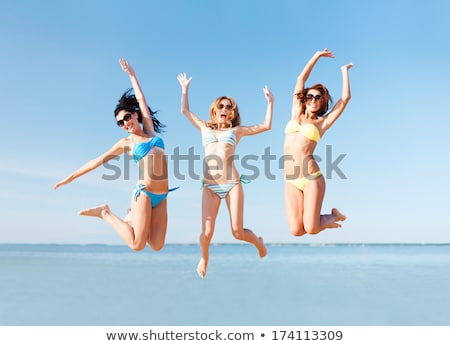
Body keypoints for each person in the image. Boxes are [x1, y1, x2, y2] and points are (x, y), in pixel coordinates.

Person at [54, 58, 173, 252]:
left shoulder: (150, 131)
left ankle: (132, 217)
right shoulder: (126, 144)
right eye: (120, 123)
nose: (125, 123)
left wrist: (132, 75)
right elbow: (97, 161)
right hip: (144, 194)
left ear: (135, 115)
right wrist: (70, 177)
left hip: (162, 195)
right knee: (137, 245)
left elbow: (141, 99)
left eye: (127, 117)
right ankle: (105, 213)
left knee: (157, 245)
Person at [177, 73, 273, 277]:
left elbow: (266, 126)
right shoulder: (204, 127)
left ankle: (258, 242)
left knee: (237, 232)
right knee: (207, 233)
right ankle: (204, 258)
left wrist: (270, 103)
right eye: (221, 106)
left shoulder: (237, 131)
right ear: (215, 110)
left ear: (232, 113)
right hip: (210, 186)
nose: (225, 109)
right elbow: (185, 110)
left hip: (232, 184)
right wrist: (185, 89)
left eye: (229, 107)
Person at [284, 48, 353, 236]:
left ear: (322, 102)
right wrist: (317, 56)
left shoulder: (322, 122)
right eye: (310, 96)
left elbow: (345, 99)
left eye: (318, 97)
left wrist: (344, 71)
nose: (313, 99)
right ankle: (324, 221)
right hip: (290, 179)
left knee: (312, 229)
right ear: (304, 99)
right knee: (296, 230)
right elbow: (300, 79)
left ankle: (333, 217)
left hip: (311, 177)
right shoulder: (295, 113)